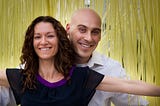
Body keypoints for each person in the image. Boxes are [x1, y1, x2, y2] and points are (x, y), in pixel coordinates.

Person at [0, 16, 160, 106]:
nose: (43, 42)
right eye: (37, 37)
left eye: (50, 36)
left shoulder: (80, 77)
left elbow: (128, 85)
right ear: (31, 43)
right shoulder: (22, 77)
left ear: (60, 40)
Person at [66, 8, 149, 106]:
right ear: (68, 29)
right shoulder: (49, 63)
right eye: (82, 30)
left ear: (100, 36)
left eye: (95, 32)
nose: (89, 38)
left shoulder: (111, 69)